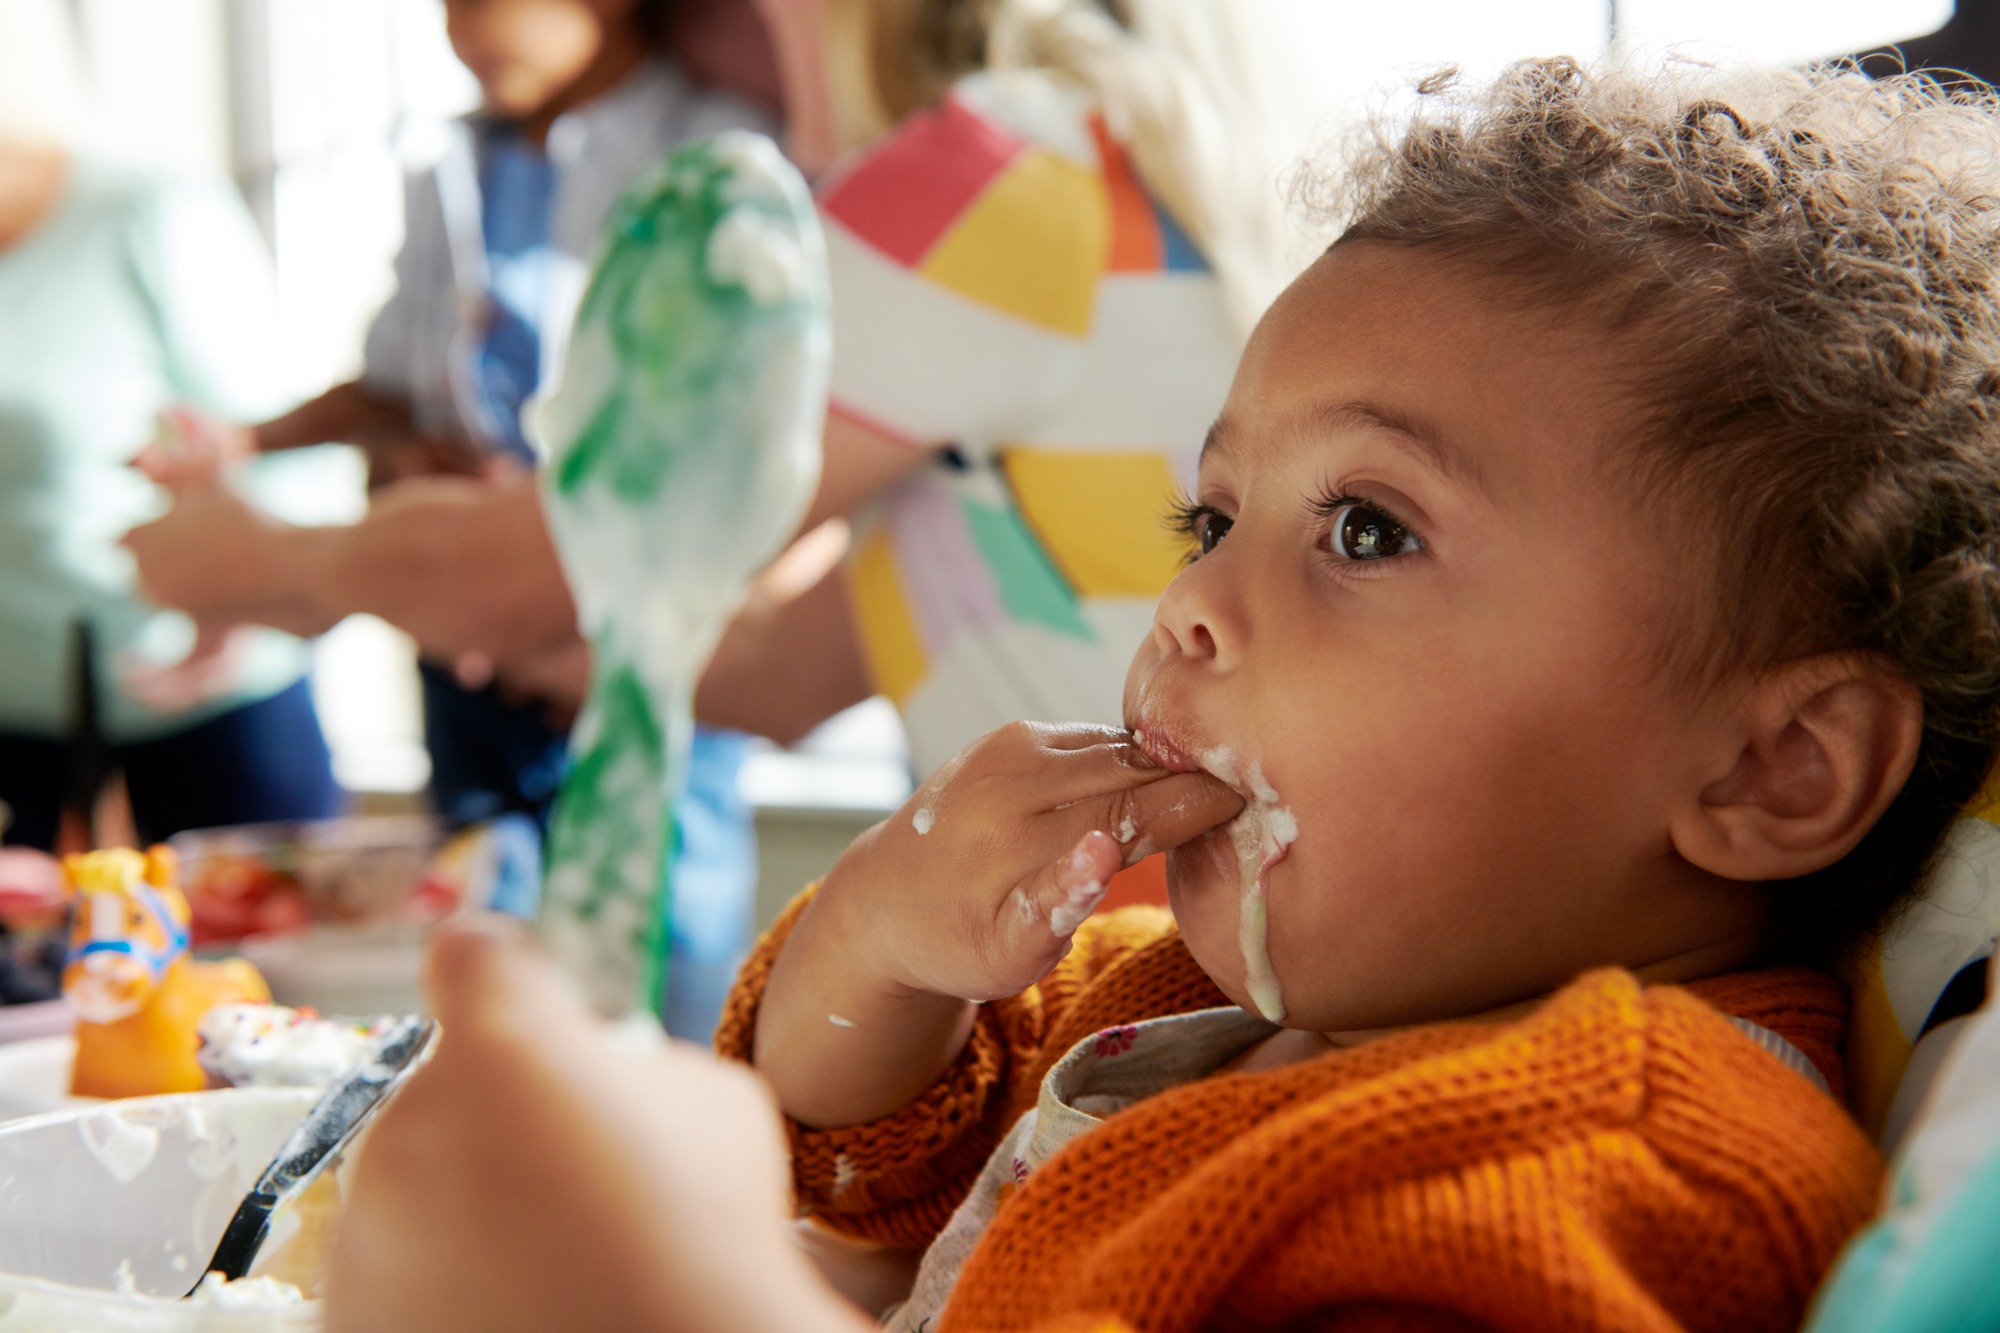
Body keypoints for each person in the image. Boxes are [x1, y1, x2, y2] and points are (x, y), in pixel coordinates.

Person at [325, 57, 2000, 1332]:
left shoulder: (1633, 1168)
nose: (1194, 601)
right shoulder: (1174, 993)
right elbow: (859, 1167)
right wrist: (880, 946)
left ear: (1777, 767)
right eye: (1212, 517)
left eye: (1366, 527)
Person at [139, 0, 778, 1035]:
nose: (461, 28)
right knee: (491, 949)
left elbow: (740, 423)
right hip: (465, 645)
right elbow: (399, 382)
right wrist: (247, 445)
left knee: (667, 950)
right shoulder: (455, 163)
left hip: (632, 626)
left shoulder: (719, 157)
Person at [0, 50, 344, 849]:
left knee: (251, 957)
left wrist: (258, 606)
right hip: (13, 703)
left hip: (201, 683)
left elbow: (278, 436)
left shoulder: (147, 209)